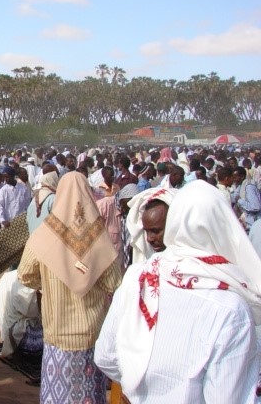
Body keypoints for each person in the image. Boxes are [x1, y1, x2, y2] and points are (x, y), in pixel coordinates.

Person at [95, 180, 261, 403]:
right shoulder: (230, 309)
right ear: (225, 226)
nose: (150, 238)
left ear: (173, 223)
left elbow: (105, 356)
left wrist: (138, 388)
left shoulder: (138, 277)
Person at [17, 172, 122, 404]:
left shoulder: (44, 235)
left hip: (57, 332)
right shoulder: (99, 237)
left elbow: (24, 274)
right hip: (91, 335)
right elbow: (115, 283)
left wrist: (47, 284)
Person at [125, 188, 178, 264]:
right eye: (146, 231)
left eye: (155, 231)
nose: (149, 239)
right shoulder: (145, 266)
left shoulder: (192, 265)